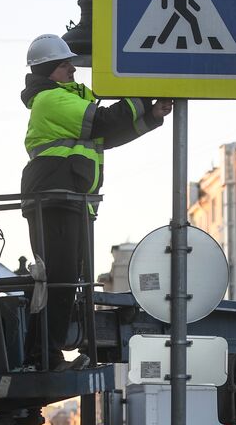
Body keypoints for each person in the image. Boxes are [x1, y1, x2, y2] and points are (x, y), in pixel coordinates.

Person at [21, 33, 173, 370]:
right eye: (65, 64)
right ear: (49, 70)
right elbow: (104, 121)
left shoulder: (63, 99)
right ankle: (41, 356)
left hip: (69, 201)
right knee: (57, 279)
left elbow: (104, 135)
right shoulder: (50, 100)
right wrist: (144, 90)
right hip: (55, 200)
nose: (73, 68)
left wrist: (150, 116)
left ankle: (46, 355)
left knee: (65, 280)